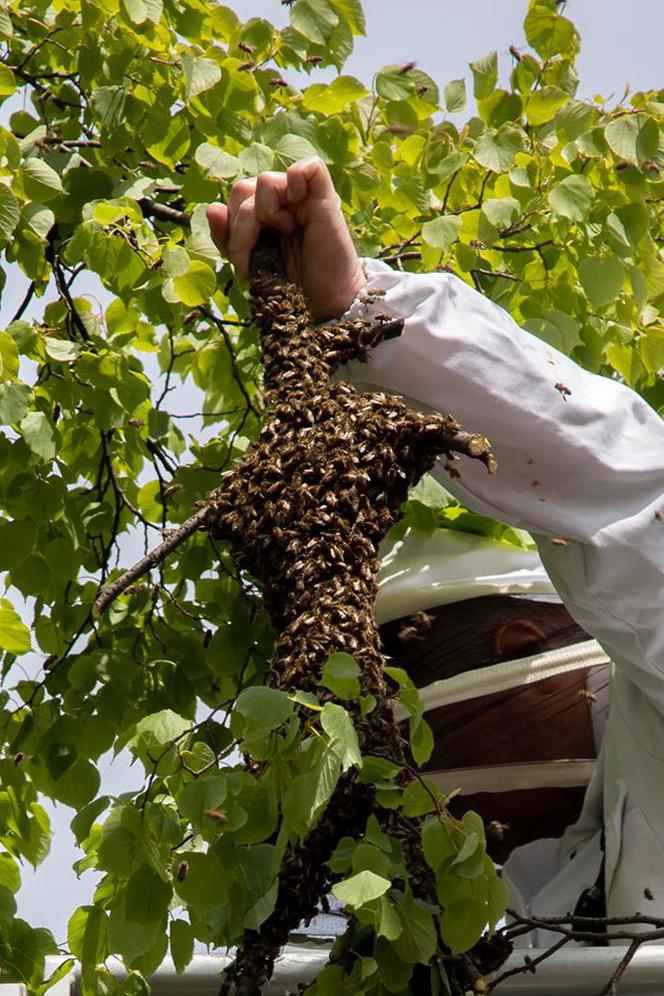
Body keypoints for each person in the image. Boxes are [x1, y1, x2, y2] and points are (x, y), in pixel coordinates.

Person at [206, 158, 664, 944]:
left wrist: (365, 319)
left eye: (416, 751)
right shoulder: (549, 912)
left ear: (515, 647)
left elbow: (630, 498)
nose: (424, 819)